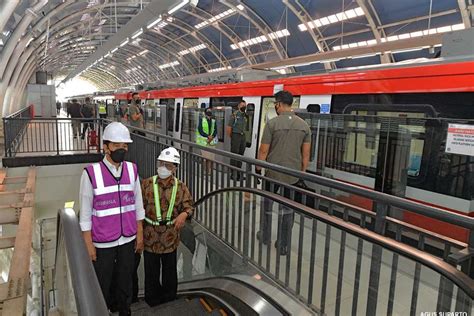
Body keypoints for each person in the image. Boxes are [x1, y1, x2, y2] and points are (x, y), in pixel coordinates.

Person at [79, 122, 144, 316]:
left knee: (125, 280)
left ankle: (125, 311)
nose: (122, 150)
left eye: (125, 146)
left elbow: (138, 205)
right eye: (117, 146)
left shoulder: (132, 170)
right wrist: (88, 244)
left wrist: (139, 234)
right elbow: (84, 213)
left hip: (128, 238)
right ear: (106, 146)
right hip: (103, 241)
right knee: (103, 282)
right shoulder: (91, 173)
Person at [256, 90, 311, 256]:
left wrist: (258, 169)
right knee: (287, 211)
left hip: (272, 175)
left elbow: (263, 151)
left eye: (275, 104)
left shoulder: (272, 124)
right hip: (293, 177)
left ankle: (265, 235)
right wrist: (301, 174)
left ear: (279, 104)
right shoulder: (304, 126)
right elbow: (306, 155)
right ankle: (283, 245)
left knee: (267, 206)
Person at [142, 147, 194, 307]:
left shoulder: (181, 187)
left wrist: (184, 214)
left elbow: (189, 207)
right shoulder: (147, 184)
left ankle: (169, 302)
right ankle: (152, 302)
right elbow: (137, 210)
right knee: (151, 273)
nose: (164, 167)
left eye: (169, 165)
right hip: (150, 237)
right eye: (162, 163)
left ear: (175, 169)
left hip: (170, 239)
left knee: (169, 273)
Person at [226, 100, 247, 180]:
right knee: (234, 155)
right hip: (236, 135)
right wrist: (233, 137)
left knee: (241, 155)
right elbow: (228, 128)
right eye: (242, 105)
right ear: (238, 106)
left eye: (245, 105)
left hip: (243, 136)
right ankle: (233, 174)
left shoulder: (245, 115)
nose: (243, 107)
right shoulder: (234, 115)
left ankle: (238, 173)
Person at [196, 108, 218, 174]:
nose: (209, 114)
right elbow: (200, 130)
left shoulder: (213, 121)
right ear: (205, 113)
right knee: (205, 158)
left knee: (211, 158)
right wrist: (207, 136)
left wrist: (212, 137)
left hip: (211, 142)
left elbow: (215, 130)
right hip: (204, 142)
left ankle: (210, 171)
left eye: (210, 112)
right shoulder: (201, 120)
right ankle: (205, 171)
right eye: (208, 112)